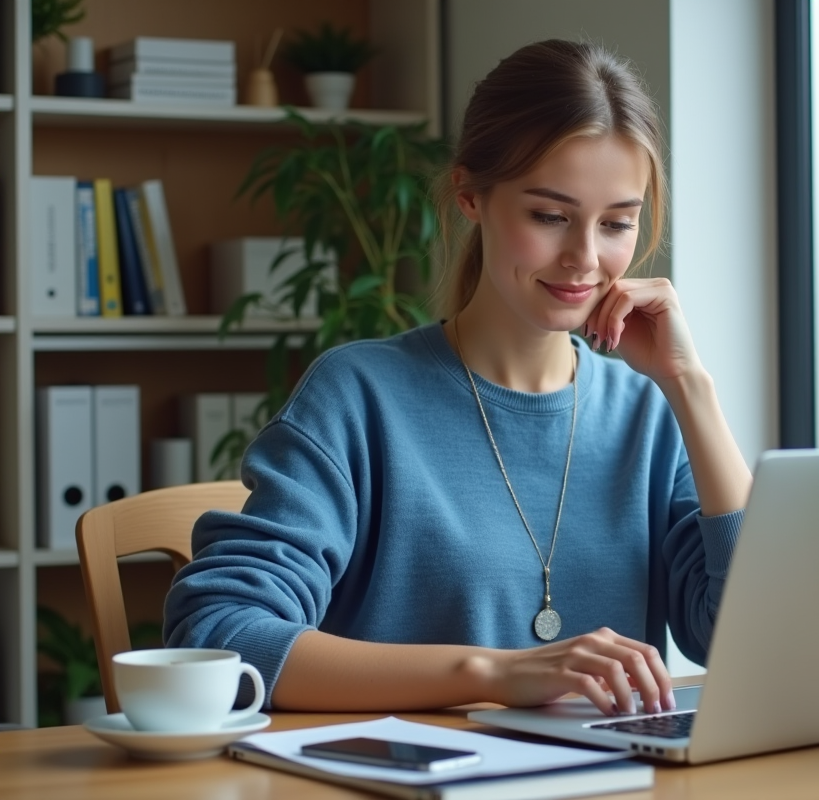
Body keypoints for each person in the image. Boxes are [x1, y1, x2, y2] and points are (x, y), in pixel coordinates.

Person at [164, 39, 752, 719]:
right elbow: (222, 635)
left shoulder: (646, 415)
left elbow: (742, 640)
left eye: (618, 223)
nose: (585, 259)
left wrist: (692, 388)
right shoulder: (358, 396)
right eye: (549, 216)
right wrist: (495, 672)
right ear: (470, 195)